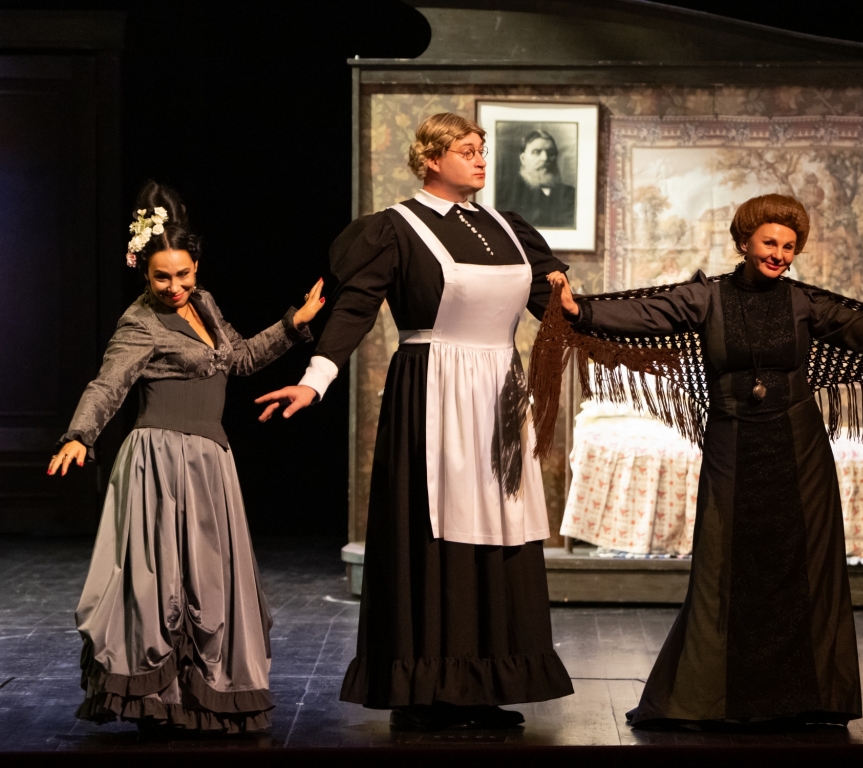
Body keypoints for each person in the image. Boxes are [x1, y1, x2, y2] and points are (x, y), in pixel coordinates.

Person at [539, 194, 863, 729]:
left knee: (803, 567)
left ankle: (807, 698)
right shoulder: (706, 297)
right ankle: (705, 699)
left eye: (789, 246)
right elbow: (648, 313)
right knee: (723, 567)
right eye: (770, 243)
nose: (779, 254)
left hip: (799, 448)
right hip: (733, 443)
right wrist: (581, 311)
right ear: (744, 242)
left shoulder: (802, 302)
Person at [255, 113, 574, 730]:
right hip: (432, 389)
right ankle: (428, 690)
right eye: (466, 150)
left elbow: (555, 307)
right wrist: (315, 380)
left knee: (499, 532)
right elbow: (355, 309)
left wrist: (607, 318)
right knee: (436, 537)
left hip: (499, 391)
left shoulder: (508, 228)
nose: (480, 159)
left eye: (482, 150)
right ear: (430, 159)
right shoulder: (395, 228)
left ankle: (486, 683)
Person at [49, 181, 324, 734]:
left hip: (209, 462)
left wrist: (292, 325)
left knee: (208, 584)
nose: (174, 287)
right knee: (163, 585)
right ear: (144, 273)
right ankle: (158, 701)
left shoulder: (205, 305)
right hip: (161, 461)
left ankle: (202, 699)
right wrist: (79, 435)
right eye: (162, 277)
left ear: (196, 267)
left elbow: (238, 359)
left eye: (183, 274)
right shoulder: (140, 322)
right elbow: (108, 384)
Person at [496, 129, 576, 229]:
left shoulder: (570, 194)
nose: (545, 158)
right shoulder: (504, 193)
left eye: (550, 152)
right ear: (523, 159)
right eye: (536, 152)